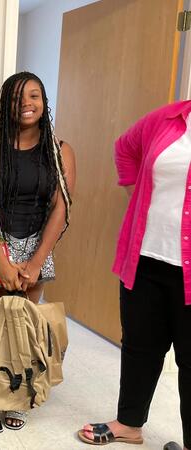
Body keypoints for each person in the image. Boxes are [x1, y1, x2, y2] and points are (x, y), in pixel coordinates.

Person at [0, 72, 75, 432]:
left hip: (35, 248)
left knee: (23, 328)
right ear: (5, 104)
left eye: (34, 95)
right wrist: (1, 259)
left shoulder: (60, 151)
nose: (26, 103)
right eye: (17, 97)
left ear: (44, 103)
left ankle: (16, 395)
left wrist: (35, 260)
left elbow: (61, 207)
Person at [78, 100, 191, 450]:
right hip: (145, 255)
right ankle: (129, 423)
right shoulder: (170, 116)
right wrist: (134, 189)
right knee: (140, 345)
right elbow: (124, 147)